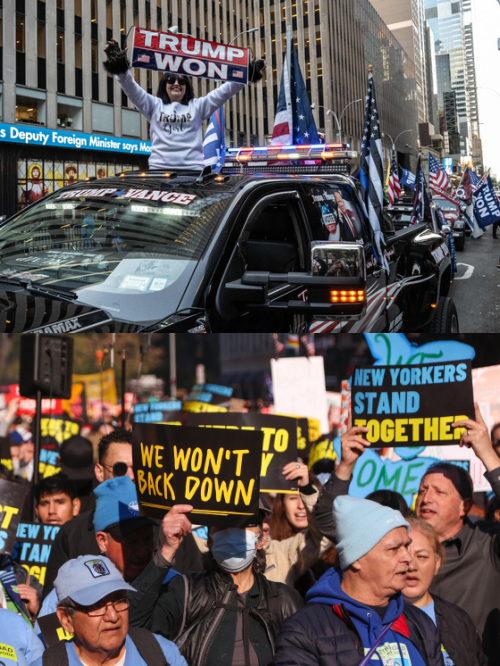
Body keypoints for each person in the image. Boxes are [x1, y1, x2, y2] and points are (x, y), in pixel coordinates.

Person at [313, 403, 500, 664]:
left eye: (439, 492)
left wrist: (488, 454)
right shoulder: (390, 533)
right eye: (423, 490)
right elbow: (325, 521)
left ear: (464, 506)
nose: (426, 498)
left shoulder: (487, 543)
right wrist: (346, 465)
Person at [274, 495, 443, 666]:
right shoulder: (305, 629)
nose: (408, 557)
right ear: (356, 558)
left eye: (406, 546)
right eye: (394, 549)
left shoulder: (420, 623)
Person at [128, 502, 303, 665]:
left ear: (261, 539)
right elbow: (131, 624)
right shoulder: (186, 592)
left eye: (243, 524)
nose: (233, 532)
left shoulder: (283, 600)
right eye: (223, 525)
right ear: (209, 540)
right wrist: (167, 550)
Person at [42, 430, 202, 600]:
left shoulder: (172, 530)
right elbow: (53, 607)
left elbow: (196, 596)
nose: (131, 476)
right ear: (99, 471)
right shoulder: (73, 533)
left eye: (138, 468)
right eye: (120, 468)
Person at [103, 38, 265, 171]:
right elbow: (130, 88)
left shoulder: (198, 106)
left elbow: (226, 91)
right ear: (163, 84)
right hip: (159, 174)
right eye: (170, 80)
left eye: (181, 81)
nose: (176, 83)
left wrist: (248, 72)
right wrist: (120, 67)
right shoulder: (153, 105)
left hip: (192, 174)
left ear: (187, 86)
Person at [32, 555, 187, 666]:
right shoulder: (49, 663)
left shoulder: (161, 653)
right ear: (66, 619)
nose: (113, 616)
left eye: (119, 600)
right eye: (96, 605)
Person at [402, 517, 486, 666]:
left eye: (421, 556)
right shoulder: (375, 618)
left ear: (437, 562)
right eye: (404, 558)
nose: (412, 566)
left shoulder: (458, 619)